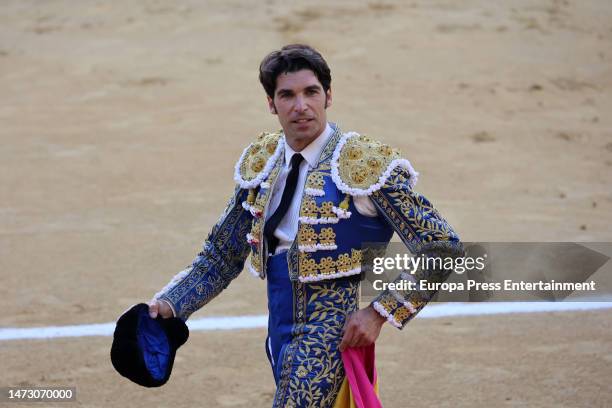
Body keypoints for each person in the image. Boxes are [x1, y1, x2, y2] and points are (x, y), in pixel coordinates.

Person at [147, 44, 462, 407]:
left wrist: (379, 313)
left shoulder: (364, 164)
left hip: (332, 329)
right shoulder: (264, 161)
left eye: (311, 92)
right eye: (287, 95)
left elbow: (443, 246)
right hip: (278, 323)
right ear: (271, 103)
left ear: (328, 96)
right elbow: (221, 255)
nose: (301, 106)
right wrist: (171, 304)